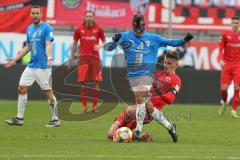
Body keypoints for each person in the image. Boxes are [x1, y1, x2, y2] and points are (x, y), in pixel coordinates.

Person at [105, 13, 193, 140]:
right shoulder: (125, 36)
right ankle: (170, 127)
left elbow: (172, 42)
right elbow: (108, 49)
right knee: (149, 106)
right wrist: (114, 41)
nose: (138, 33)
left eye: (140, 30)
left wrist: (184, 40)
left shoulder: (153, 38)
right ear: (133, 26)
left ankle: (138, 130)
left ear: (144, 27)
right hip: (132, 77)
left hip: (147, 74)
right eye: (136, 30)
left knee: (140, 97)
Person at [107, 51, 182, 143]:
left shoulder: (176, 80)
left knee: (138, 105)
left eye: (169, 63)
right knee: (111, 135)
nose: (165, 65)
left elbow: (170, 100)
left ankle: (138, 131)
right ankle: (143, 135)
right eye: (165, 62)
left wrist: (156, 88)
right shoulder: (157, 73)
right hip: (136, 107)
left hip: (148, 113)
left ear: (176, 64)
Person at [4, 6, 60, 127]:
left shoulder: (46, 27)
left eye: (37, 13)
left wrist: (49, 57)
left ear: (41, 15)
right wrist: (15, 59)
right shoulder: (29, 28)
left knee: (47, 93)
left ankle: (55, 119)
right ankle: (19, 118)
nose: (35, 15)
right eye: (33, 13)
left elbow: (48, 43)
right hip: (31, 65)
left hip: (43, 66)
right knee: (21, 88)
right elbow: (28, 46)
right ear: (30, 15)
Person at [68, 10, 106, 113]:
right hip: (83, 60)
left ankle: (95, 106)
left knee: (96, 82)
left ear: (94, 17)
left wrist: (100, 45)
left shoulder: (99, 29)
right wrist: (71, 57)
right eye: (87, 16)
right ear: (84, 17)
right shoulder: (79, 29)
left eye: (91, 16)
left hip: (95, 59)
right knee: (83, 83)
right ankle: (84, 106)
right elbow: (75, 44)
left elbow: (104, 41)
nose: (89, 18)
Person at [218, 16, 240, 118]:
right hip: (227, 64)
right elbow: (221, 48)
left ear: (239, 24)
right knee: (223, 89)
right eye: (234, 23)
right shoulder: (225, 35)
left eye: (237, 23)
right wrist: (220, 59)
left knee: (237, 87)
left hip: (238, 65)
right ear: (231, 24)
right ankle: (225, 102)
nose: (235, 24)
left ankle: (234, 111)